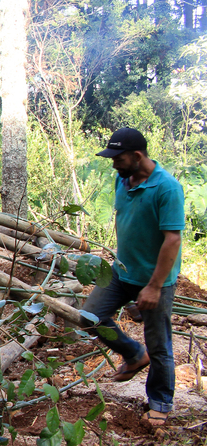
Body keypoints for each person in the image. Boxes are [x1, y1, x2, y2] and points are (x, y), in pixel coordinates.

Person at [80, 127, 184, 427]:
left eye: (119, 158)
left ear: (137, 156)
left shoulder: (167, 188)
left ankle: (160, 402)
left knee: (160, 344)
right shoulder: (122, 180)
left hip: (155, 280)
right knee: (90, 316)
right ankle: (134, 354)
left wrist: (152, 287)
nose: (113, 163)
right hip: (122, 271)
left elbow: (172, 240)